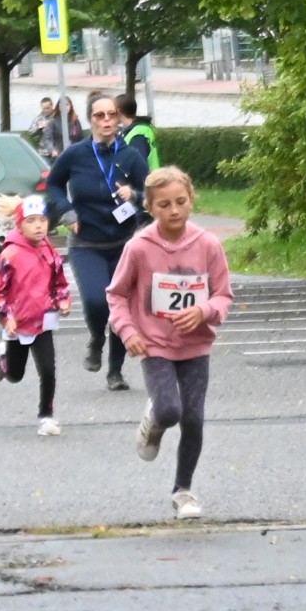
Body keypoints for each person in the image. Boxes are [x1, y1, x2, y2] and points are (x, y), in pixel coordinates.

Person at [110, 165, 232, 518]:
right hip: (154, 344)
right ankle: (154, 420)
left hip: (195, 344)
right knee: (168, 410)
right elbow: (116, 294)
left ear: (192, 199)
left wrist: (204, 310)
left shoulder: (208, 244)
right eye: (164, 205)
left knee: (193, 418)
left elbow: (223, 295)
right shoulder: (139, 247)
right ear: (149, 207)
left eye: (181, 201)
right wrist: (128, 331)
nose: (174, 210)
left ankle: (183, 491)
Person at [43, 94, 152, 392]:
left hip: (123, 244)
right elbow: (53, 184)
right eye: (99, 116)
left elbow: (152, 193)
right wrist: (66, 211)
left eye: (111, 115)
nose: (106, 121)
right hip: (86, 243)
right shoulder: (75, 154)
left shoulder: (130, 156)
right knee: (96, 301)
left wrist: (135, 195)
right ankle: (96, 337)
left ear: (118, 118)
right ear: (90, 120)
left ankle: (115, 371)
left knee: (121, 308)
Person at [0, 193, 75, 435]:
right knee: (15, 375)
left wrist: (63, 300)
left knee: (48, 370)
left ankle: (46, 417)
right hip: (18, 322)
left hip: (43, 319)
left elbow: (59, 283)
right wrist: (6, 317)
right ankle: (3, 356)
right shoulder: (9, 255)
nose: (38, 226)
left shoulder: (49, 251)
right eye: (31, 221)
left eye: (42, 220)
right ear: (20, 225)